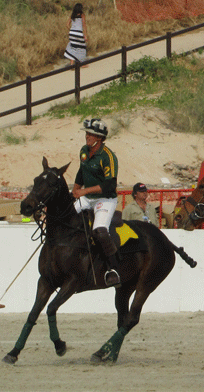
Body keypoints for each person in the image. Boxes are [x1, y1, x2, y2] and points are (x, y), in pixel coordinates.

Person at [72, 118, 122, 287]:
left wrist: (84, 191)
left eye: (90, 134)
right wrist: (76, 188)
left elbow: (110, 185)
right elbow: (82, 169)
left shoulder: (108, 157)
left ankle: (112, 269)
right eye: (87, 133)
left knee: (99, 230)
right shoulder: (84, 151)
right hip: (87, 198)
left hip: (105, 200)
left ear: (99, 138)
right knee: (67, 217)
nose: (87, 136)